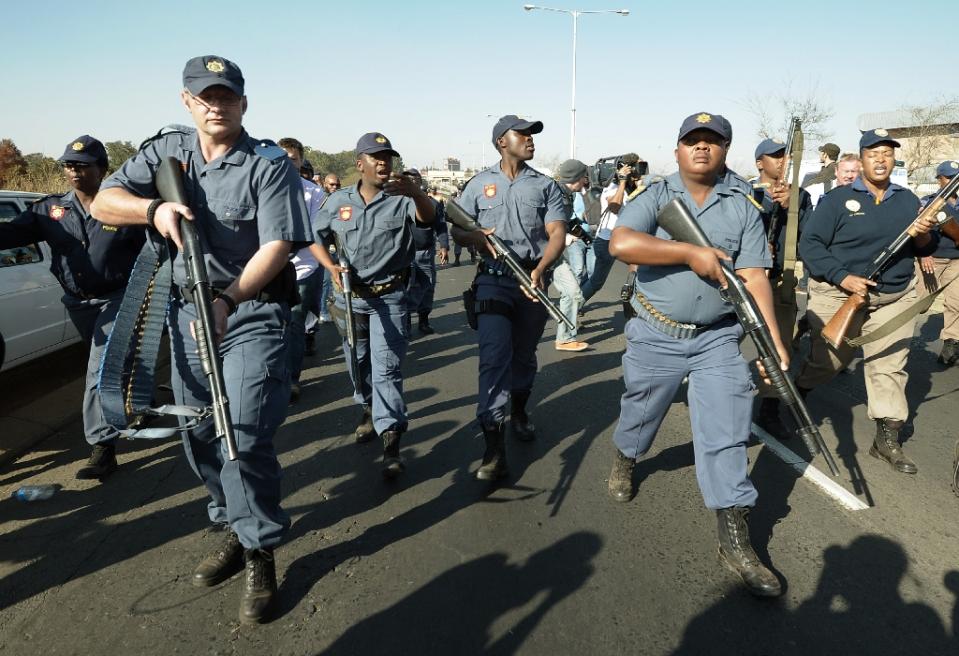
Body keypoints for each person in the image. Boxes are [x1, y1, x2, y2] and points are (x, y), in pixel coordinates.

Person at [91, 55, 311, 623]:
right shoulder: (164, 154)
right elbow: (103, 202)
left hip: (250, 310)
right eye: (205, 96)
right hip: (186, 313)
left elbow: (277, 246)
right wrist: (154, 208)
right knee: (199, 437)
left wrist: (228, 300)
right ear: (187, 102)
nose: (217, 105)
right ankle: (233, 524)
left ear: (244, 101)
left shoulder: (267, 164)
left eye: (227, 95)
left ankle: (260, 549)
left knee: (240, 430)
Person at [606, 112, 787, 597]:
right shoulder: (657, 195)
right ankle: (627, 455)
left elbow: (755, 277)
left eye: (712, 141)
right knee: (641, 413)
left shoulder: (745, 205)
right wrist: (689, 253)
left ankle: (733, 536)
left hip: (717, 339)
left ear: (726, 149)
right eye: (693, 141)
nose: (702, 149)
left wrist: (773, 343)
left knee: (727, 429)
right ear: (678, 148)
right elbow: (621, 243)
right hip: (656, 334)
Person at [0, 135, 145, 481]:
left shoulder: (124, 207)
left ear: (102, 169)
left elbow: (153, 250)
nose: (74, 172)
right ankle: (134, 401)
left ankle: (102, 448)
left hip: (119, 297)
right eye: (68, 166)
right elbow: (8, 237)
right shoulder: (50, 210)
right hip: (78, 301)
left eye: (82, 166)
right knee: (113, 367)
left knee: (100, 369)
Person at [795, 129, 938, 476]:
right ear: (860, 160)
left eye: (887, 154)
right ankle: (794, 395)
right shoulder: (837, 200)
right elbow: (810, 245)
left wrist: (924, 235)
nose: (881, 159)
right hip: (840, 292)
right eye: (874, 153)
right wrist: (843, 276)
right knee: (829, 362)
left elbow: (925, 251)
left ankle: (886, 439)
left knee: (889, 364)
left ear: (893, 160)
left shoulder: (906, 201)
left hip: (893, 296)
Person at [452, 115, 568, 480]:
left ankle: (519, 409)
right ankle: (493, 444)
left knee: (523, 356)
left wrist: (541, 268)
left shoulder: (546, 186)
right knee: (493, 356)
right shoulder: (478, 184)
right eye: (524, 134)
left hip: (533, 280)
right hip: (492, 280)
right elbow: (457, 228)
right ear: (502, 141)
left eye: (533, 135)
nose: (531, 140)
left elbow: (557, 233)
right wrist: (477, 238)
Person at [314, 132, 435, 478]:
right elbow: (315, 238)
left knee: (387, 369)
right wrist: (329, 265)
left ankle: (391, 438)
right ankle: (367, 406)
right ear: (360, 163)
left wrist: (416, 192)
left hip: (391, 297)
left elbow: (428, 220)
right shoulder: (337, 202)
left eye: (388, 157)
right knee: (357, 361)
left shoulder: (403, 199)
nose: (384, 163)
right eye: (376, 157)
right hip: (350, 298)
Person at [750, 138, 814, 431]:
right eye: (774, 157)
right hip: (742, 280)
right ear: (759, 163)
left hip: (778, 280)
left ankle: (769, 405)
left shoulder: (801, 197)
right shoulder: (744, 191)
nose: (781, 161)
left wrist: (793, 207)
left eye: (785, 157)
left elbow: (810, 237)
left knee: (778, 344)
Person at [277, 138, 326, 402]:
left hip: (303, 268)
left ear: (300, 161)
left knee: (295, 323)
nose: (287, 162)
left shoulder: (313, 193)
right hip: (267, 270)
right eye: (282, 156)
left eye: (293, 158)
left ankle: (292, 378)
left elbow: (315, 233)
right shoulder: (262, 188)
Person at [581, 153, 646, 307]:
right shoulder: (613, 187)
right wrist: (622, 182)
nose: (638, 169)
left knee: (642, 266)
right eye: (635, 166)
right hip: (606, 242)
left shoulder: (632, 187)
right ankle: (571, 307)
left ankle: (633, 299)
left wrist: (638, 182)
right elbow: (615, 207)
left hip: (624, 240)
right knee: (597, 282)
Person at [916, 160, 959, 365]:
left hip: (956, 261)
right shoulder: (928, 202)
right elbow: (918, 232)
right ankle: (894, 337)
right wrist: (923, 253)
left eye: (956, 178)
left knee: (956, 302)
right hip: (933, 259)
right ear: (939, 180)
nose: (953, 182)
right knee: (919, 303)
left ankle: (952, 343)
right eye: (949, 178)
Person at [404, 168, 449, 334]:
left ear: (420, 181)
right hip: (402, 256)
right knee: (405, 289)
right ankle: (405, 323)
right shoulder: (395, 202)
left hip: (424, 253)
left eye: (415, 178)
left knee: (427, 287)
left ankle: (423, 320)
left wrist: (444, 246)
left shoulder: (432, 203)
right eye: (408, 178)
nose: (412, 180)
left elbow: (441, 226)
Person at [553, 158, 590, 352]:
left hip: (554, 255)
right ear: (576, 178)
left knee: (572, 293)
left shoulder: (565, 194)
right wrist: (564, 236)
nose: (586, 181)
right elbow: (542, 222)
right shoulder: (554, 193)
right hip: (542, 254)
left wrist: (580, 232)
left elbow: (567, 220)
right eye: (584, 177)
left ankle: (565, 338)